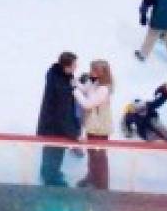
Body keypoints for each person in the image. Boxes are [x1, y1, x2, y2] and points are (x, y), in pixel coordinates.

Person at [36, 52, 81, 186]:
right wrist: (72, 133)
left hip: (51, 124)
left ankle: (49, 172)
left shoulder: (57, 75)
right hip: (56, 127)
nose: (76, 67)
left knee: (51, 150)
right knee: (55, 151)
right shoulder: (61, 86)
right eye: (74, 65)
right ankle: (51, 178)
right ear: (66, 67)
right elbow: (63, 112)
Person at [74, 60, 113, 189]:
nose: (90, 72)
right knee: (92, 154)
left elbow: (87, 104)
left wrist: (75, 92)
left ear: (101, 73)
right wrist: (76, 84)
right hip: (93, 125)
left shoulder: (104, 89)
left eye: (93, 71)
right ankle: (91, 177)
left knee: (99, 158)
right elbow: (85, 90)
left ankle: (102, 185)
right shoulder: (95, 82)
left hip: (100, 128)